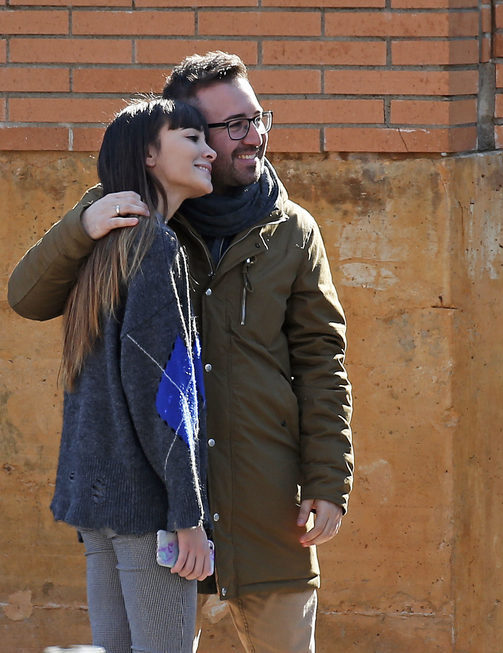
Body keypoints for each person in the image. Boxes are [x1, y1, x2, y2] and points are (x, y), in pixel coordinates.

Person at [8, 52, 354, 653]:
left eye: (258, 117)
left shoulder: (293, 230)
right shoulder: (134, 211)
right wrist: (82, 226)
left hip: (264, 504)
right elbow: (29, 296)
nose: (256, 137)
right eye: (233, 127)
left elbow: (322, 361)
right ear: (177, 137)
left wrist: (328, 478)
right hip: (164, 504)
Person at [44, 98, 216, 653]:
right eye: (191, 137)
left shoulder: (103, 250)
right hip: (146, 512)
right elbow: (164, 398)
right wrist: (188, 517)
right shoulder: (156, 248)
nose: (209, 149)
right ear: (148, 153)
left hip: (96, 504)